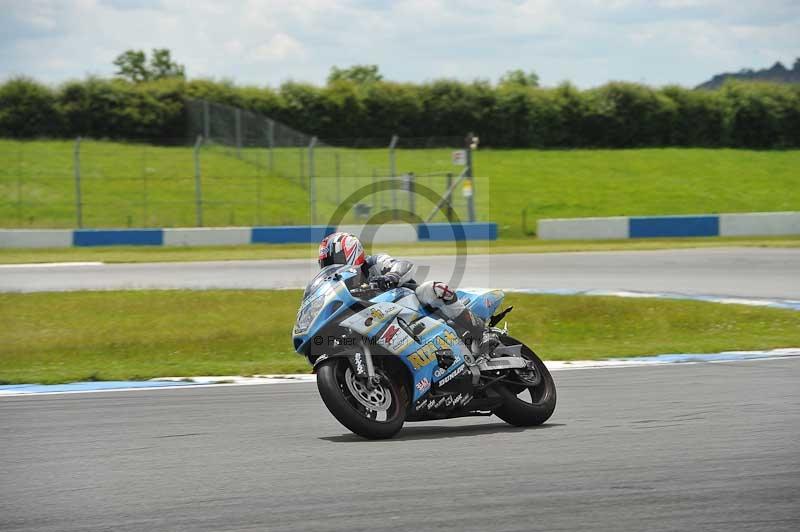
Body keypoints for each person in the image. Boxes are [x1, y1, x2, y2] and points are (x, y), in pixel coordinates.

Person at [317, 231, 499, 354]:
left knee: (434, 288)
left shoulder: (373, 263)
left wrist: (391, 276)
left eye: (337, 259)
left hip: (413, 304)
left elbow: (404, 265)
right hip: (381, 323)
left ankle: (482, 333)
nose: (333, 265)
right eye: (327, 262)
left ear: (352, 251)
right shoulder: (340, 286)